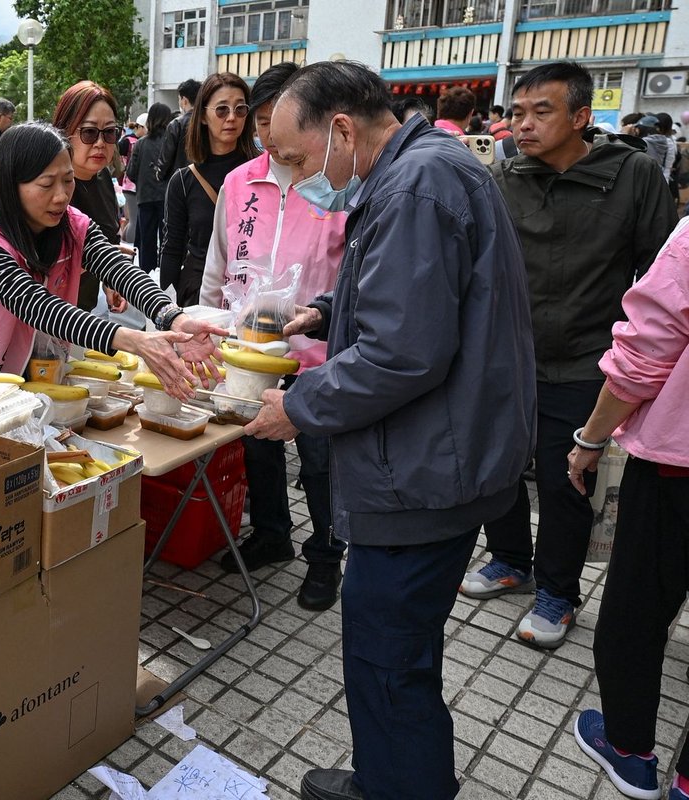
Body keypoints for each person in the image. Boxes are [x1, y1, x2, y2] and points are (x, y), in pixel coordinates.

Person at [245, 60, 535, 800]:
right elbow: (425, 299)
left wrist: (299, 405)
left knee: (388, 663)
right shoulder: (429, 169)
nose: (296, 177)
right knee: (400, 656)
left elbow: (403, 352)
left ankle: (397, 786)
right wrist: (330, 307)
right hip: (441, 459)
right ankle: (387, 778)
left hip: (419, 475)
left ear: (341, 128)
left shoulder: (415, 186)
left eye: (296, 159)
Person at [460, 61, 678, 650]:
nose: (522, 125)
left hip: (586, 360)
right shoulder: (504, 178)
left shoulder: (633, 176)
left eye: (541, 111)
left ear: (582, 116)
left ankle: (558, 592)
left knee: (565, 483)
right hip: (508, 356)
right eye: (517, 112)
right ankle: (509, 558)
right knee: (496, 466)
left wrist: (633, 366)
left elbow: (660, 276)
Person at [199, 62, 347, 606]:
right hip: (248, 350)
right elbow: (218, 264)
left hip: (316, 355)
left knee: (320, 461)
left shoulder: (334, 187)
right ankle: (271, 533)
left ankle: (326, 558)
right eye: (261, 123)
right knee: (257, 446)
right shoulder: (239, 183)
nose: (268, 135)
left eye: (274, 121)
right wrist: (208, 322)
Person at [0, 122, 225, 394]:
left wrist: (172, 317)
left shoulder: (72, 226)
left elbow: (117, 269)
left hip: (43, 375)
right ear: (11, 185)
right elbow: (39, 308)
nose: (61, 196)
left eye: (68, 180)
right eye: (46, 184)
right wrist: (135, 341)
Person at [568, 217, 689, 800]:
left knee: (638, 609)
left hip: (677, 470)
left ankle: (628, 747)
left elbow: (645, 354)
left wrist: (590, 440)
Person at [160, 72, 258, 306]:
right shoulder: (183, 181)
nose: (232, 118)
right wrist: (164, 307)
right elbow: (172, 249)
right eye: (222, 109)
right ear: (203, 115)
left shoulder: (263, 173)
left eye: (240, 109)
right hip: (198, 292)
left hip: (250, 293)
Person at [52, 81, 130, 312]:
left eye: (109, 133)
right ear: (64, 131)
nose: (100, 143)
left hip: (83, 315)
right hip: (43, 318)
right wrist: (102, 261)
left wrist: (111, 282)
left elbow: (109, 241)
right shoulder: (44, 187)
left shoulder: (104, 178)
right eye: (88, 132)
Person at [126, 102, 173, 276]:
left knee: (147, 240)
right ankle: (166, 275)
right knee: (168, 239)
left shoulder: (140, 144)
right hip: (168, 198)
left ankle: (147, 276)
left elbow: (130, 172)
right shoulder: (171, 143)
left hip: (145, 197)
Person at [155, 78, 202, 181]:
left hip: (180, 180)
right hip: (205, 180)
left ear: (184, 100)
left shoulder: (177, 124)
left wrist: (160, 175)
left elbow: (166, 158)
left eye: (179, 99)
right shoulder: (208, 121)